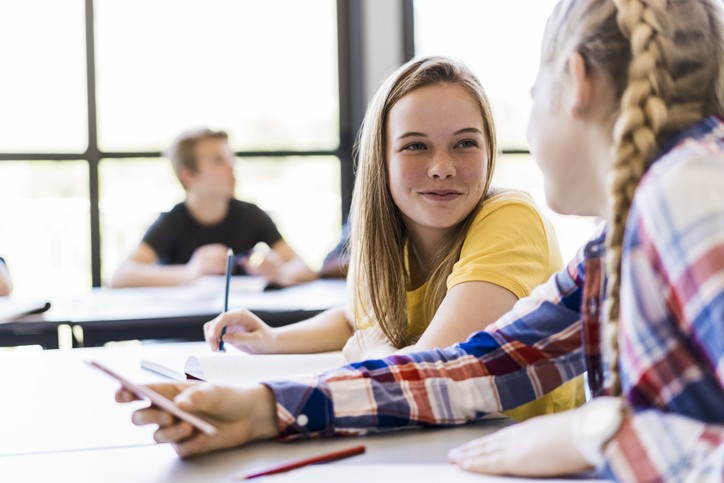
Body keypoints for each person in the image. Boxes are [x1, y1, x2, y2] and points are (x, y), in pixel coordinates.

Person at [118, 0, 724, 477]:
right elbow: (477, 367)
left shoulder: (690, 188)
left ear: (578, 82)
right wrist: (265, 408)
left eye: (533, 96)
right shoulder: (626, 235)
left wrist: (595, 435)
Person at [202, 56, 582, 420]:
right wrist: (272, 339)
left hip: (522, 458)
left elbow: (430, 373)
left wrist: (368, 347)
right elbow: (360, 319)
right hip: (440, 448)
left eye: (465, 143)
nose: (442, 168)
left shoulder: (511, 218)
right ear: (380, 158)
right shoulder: (393, 234)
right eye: (415, 146)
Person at [109, 128, 315, 288]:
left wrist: (278, 273)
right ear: (188, 174)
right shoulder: (173, 222)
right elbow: (120, 276)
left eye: (230, 158)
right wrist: (191, 271)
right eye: (219, 160)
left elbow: (304, 268)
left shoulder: (251, 215)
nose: (232, 166)